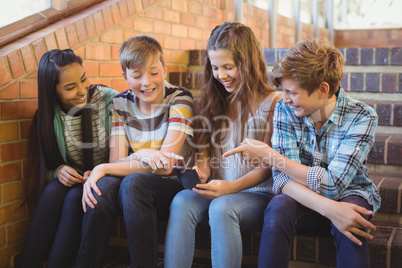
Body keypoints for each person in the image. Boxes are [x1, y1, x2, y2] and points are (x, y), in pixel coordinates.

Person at [223, 38, 381, 267]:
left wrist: (271, 157)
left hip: (349, 190)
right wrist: (330, 209)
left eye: (292, 92)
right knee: (278, 208)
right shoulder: (285, 109)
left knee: (352, 221)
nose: (284, 98)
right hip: (302, 195)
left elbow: (334, 184)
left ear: (322, 90)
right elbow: (282, 178)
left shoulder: (362, 117)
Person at [164, 22, 282, 268]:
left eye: (229, 67)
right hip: (220, 188)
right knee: (182, 201)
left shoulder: (273, 102)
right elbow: (203, 144)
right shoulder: (213, 98)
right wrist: (203, 161)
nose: (221, 75)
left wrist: (232, 187)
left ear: (248, 64)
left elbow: (268, 165)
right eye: (215, 67)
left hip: (257, 193)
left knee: (221, 208)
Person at [75, 35, 194, 267]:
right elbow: (117, 162)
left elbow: (166, 166)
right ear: (125, 76)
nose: (146, 82)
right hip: (138, 182)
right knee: (104, 185)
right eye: (137, 75)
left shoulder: (180, 98)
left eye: (153, 72)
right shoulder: (121, 103)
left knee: (132, 182)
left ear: (165, 69)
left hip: (174, 184)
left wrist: (102, 167)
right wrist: (139, 156)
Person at [21, 49, 118, 268]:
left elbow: (128, 152)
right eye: (70, 87)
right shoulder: (47, 116)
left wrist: (100, 171)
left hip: (107, 178)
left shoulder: (108, 100)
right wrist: (57, 172)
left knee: (76, 197)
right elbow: (45, 171)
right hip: (75, 183)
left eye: (83, 80)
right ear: (52, 90)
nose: (82, 90)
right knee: (54, 189)